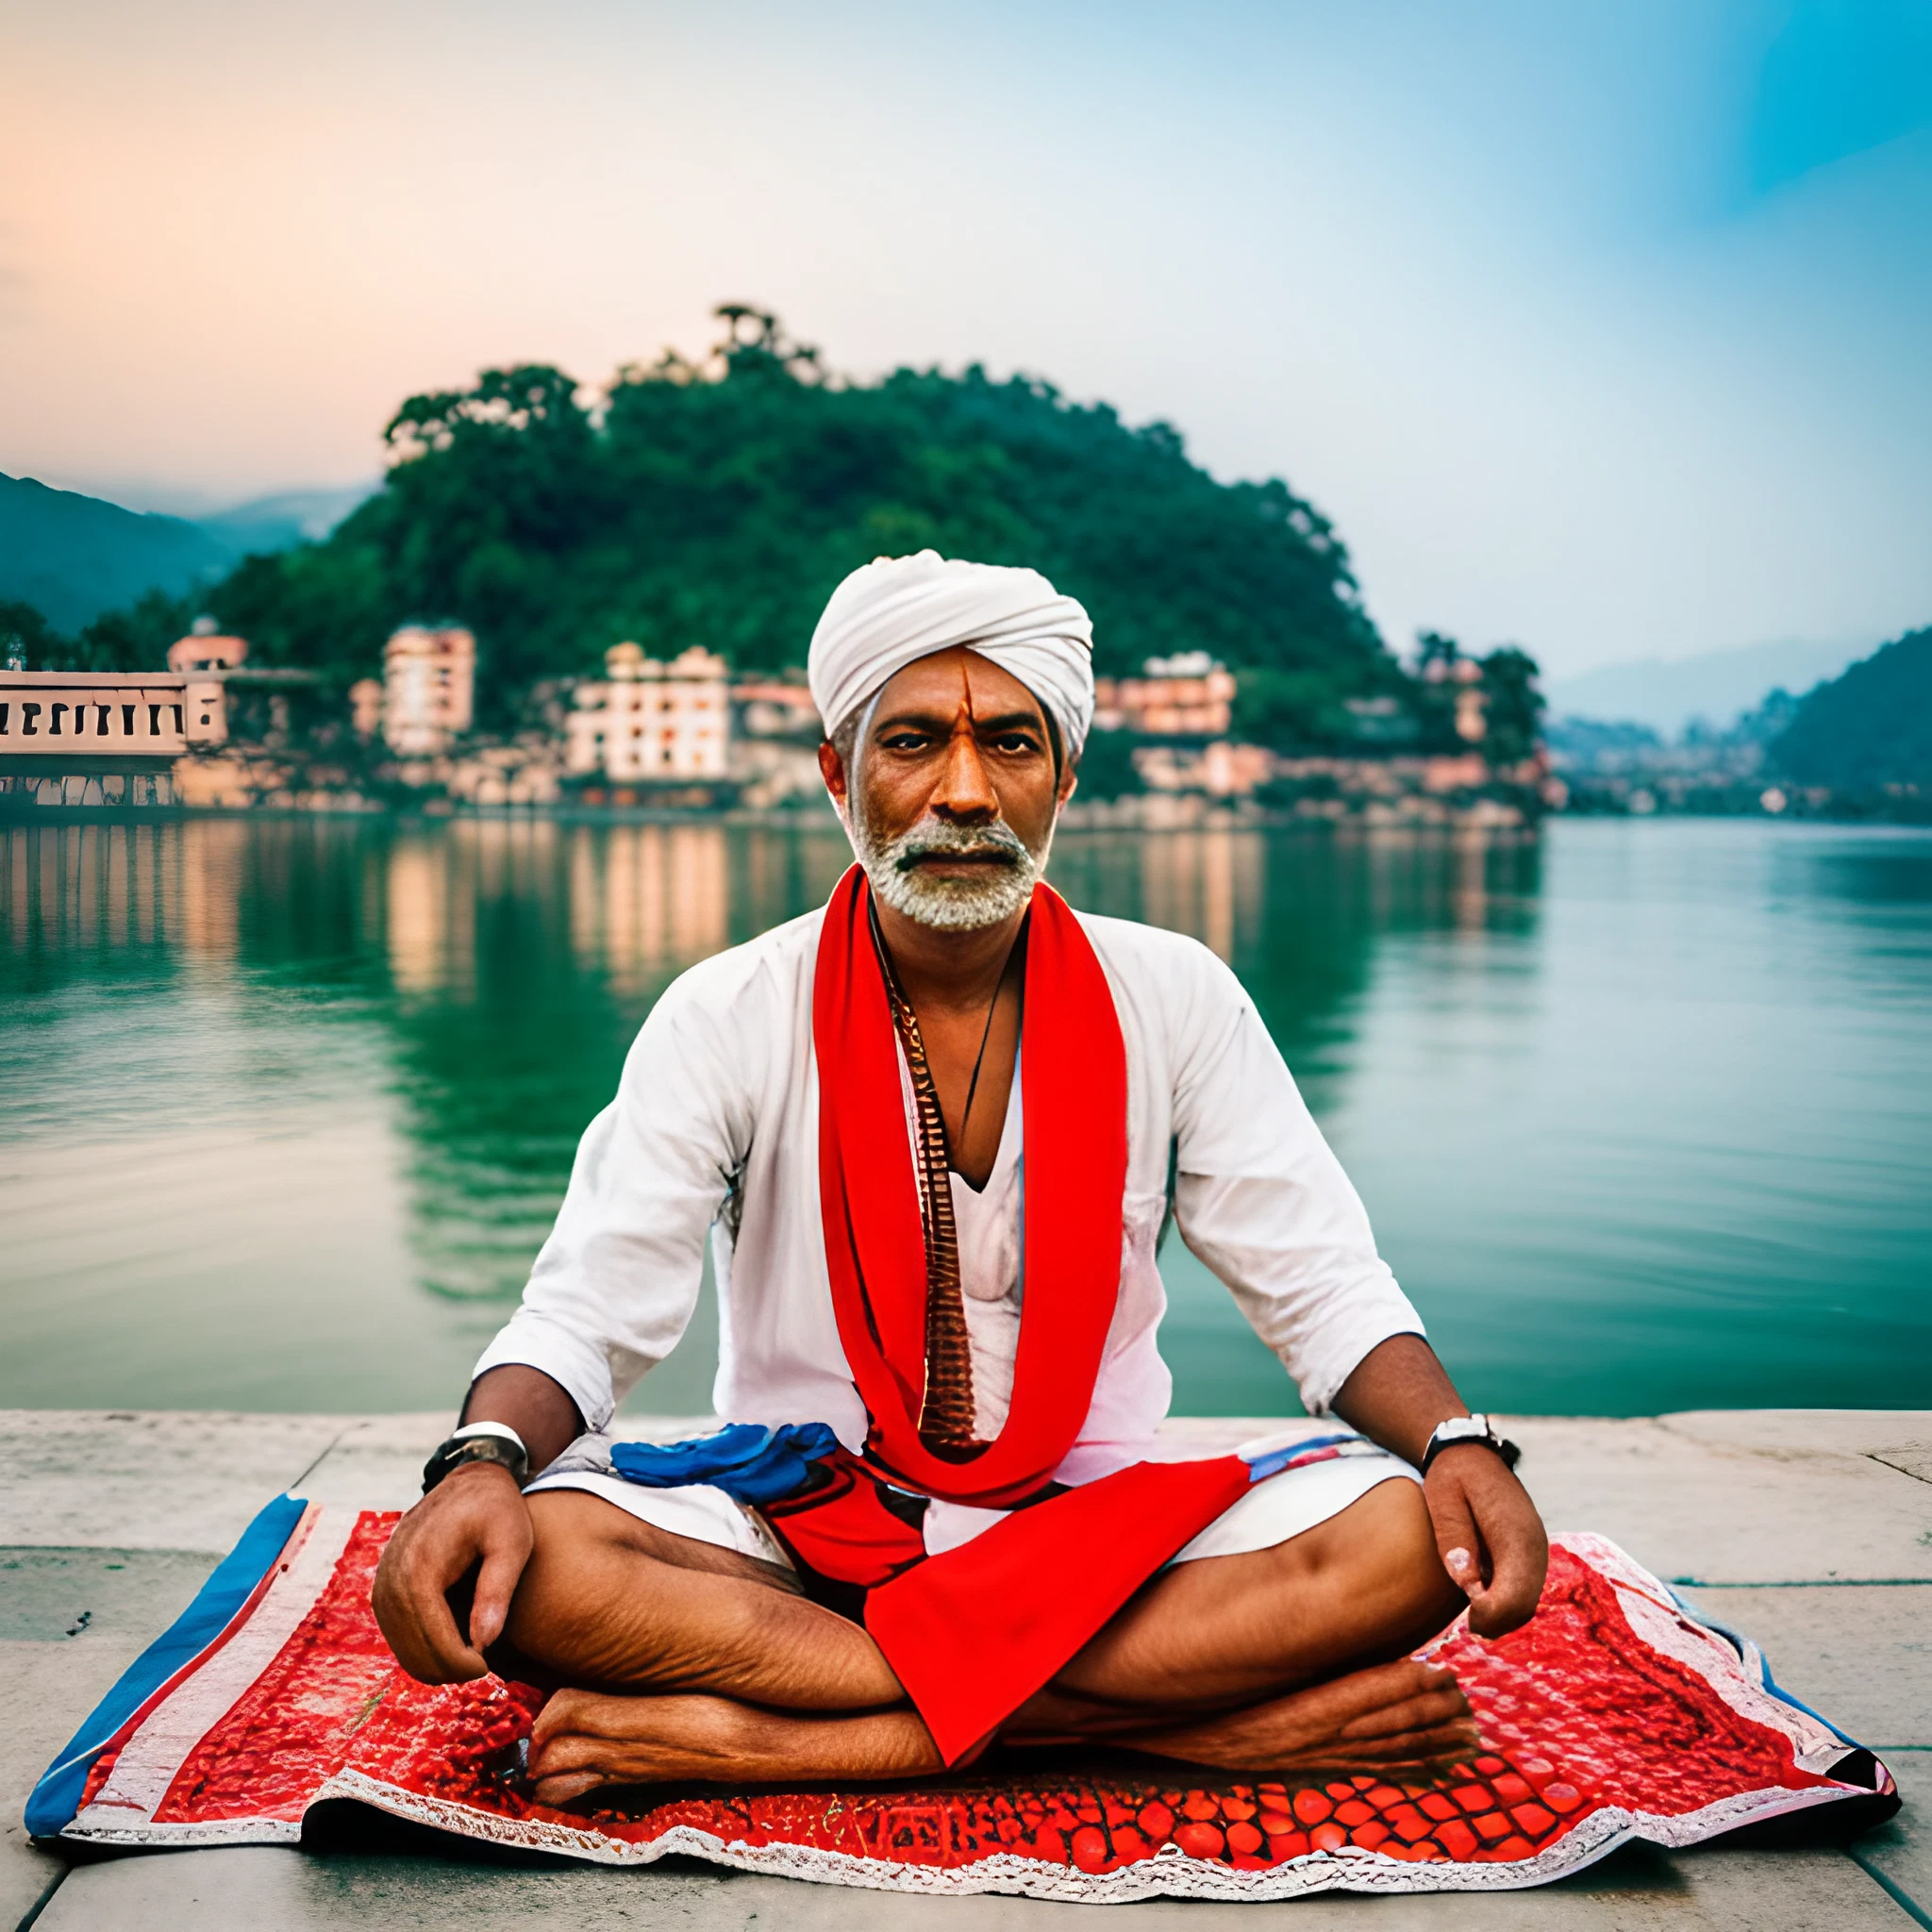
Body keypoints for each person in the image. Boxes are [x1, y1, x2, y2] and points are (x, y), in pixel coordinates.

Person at [373, 552, 1549, 1807]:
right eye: (915, 742)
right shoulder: (728, 1011)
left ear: (1067, 776)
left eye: (1013, 746)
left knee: (1418, 1535)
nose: (966, 792)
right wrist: (483, 1461)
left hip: (1097, 1535)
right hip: (802, 1527)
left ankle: (798, 1740)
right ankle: (1171, 1728)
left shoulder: (1177, 996)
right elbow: (587, 1313)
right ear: (839, 771)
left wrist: (1457, 1441)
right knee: (536, 1562)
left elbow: (1318, 1279)